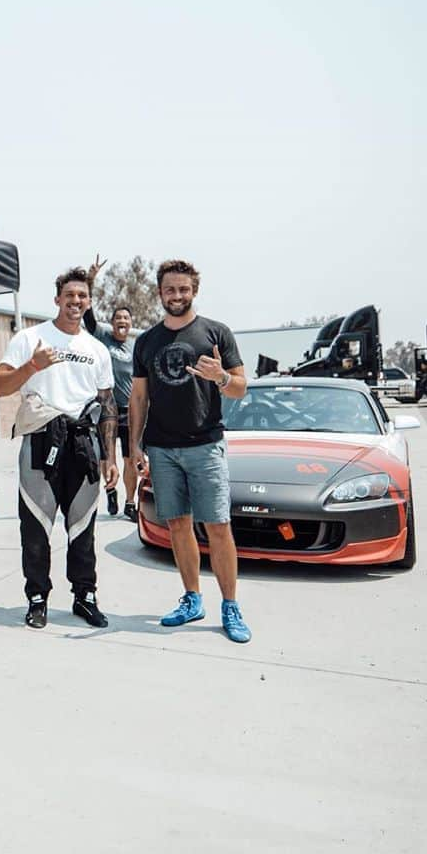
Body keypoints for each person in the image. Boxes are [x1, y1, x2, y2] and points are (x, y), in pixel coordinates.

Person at [127, 259, 252, 643]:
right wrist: (134, 444)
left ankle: (230, 606)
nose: (176, 295)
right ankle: (192, 599)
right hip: (162, 449)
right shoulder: (146, 341)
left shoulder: (216, 333)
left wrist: (222, 377)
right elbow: (139, 397)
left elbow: (241, 387)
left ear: (193, 290)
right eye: (169, 289)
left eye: (183, 289)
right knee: (177, 525)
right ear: (160, 292)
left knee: (217, 527)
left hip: (205, 446)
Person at [0, 267, 119, 630]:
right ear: (57, 299)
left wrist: (109, 457)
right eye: (69, 296)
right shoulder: (31, 338)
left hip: (83, 442)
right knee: (34, 528)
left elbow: (107, 403)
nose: (76, 301)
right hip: (41, 441)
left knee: (83, 527)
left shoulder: (97, 349)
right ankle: (37, 599)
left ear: (89, 301)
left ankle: (85, 597)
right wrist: (32, 365)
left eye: (82, 296)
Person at [83, 256, 138, 520]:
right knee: (108, 457)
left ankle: (130, 502)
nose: (122, 322)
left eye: (126, 318)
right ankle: (111, 491)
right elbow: (87, 311)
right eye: (118, 318)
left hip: (129, 410)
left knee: (130, 459)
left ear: (130, 323)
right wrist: (91, 280)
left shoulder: (135, 346)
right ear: (112, 322)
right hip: (106, 408)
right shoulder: (101, 335)